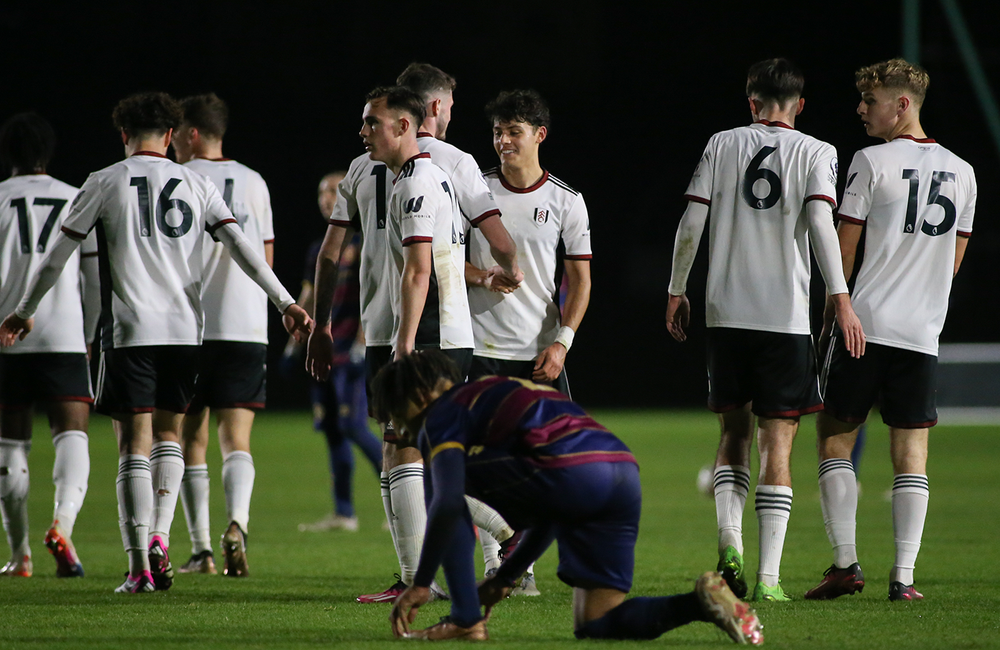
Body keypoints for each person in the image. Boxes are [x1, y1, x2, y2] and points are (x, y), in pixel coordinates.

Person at [0, 92, 311, 594]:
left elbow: (58, 255)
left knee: (132, 445)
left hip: (129, 333)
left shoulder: (103, 181)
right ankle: (163, 537)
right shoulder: (194, 181)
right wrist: (286, 303)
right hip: (186, 333)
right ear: (170, 136)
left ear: (124, 135)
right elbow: (243, 247)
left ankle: (138, 564)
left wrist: (24, 309)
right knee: (171, 437)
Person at [373, 351, 763, 644]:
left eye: (395, 410)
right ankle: (702, 602)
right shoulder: (490, 392)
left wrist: (421, 582)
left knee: (443, 486)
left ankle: (464, 618)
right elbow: (554, 512)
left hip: (567, 471)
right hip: (620, 470)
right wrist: (506, 578)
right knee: (596, 623)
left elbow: (445, 505)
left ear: (422, 393)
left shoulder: (441, 413)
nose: (398, 426)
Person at [305, 82, 518, 603]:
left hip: (426, 332)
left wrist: (402, 340)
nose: (361, 133)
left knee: (419, 449)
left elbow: (420, 272)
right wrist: (500, 270)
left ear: (407, 122)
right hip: (400, 330)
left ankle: (502, 540)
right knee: (402, 449)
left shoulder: (423, 176)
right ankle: (426, 574)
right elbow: (492, 244)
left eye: (370, 123)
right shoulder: (393, 170)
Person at [665, 58, 865, 602]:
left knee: (733, 436)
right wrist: (840, 298)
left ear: (751, 102)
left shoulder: (721, 143)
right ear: (800, 104)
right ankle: (770, 580)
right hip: (784, 320)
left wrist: (676, 288)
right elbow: (822, 224)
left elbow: (692, 221)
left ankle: (731, 545)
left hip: (725, 314)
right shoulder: (817, 151)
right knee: (780, 444)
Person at [804, 59, 975, 602]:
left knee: (834, 440)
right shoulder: (964, 171)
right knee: (912, 453)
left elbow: (844, 250)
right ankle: (903, 579)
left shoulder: (870, 161)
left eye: (870, 100)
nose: (861, 109)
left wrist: (835, 311)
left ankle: (845, 565)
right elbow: (953, 261)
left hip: (864, 324)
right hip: (921, 332)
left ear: (902, 105)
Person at [398, 61, 524, 590]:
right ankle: (468, 567)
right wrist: (507, 269)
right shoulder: (451, 162)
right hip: (440, 324)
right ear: (433, 108)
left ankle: (429, 576)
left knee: (414, 455)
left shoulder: (370, 167)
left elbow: (412, 257)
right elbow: (481, 241)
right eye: (449, 106)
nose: (451, 115)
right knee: (421, 454)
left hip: (410, 327)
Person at [464, 89, 592, 595]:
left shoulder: (566, 200)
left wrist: (562, 342)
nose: (503, 141)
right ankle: (504, 566)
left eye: (513, 131)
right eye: (497, 132)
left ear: (539, 135)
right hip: (477, 347)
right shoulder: (473, 192)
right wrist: (482, 276)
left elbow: (580, 281)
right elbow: (445, 260)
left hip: (538, 353)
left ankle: (534, 559)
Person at [165, 93, 275, 577]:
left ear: (190, 134)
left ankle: (202, 550)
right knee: (237, 438)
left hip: (189, 325)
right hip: (246, 324)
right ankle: (238, 523)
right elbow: (265, 258)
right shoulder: (254, 180)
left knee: (191, 434)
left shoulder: (180, 180)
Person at [0, 112, 98, 578]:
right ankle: (62, 524)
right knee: (71, 434)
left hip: (5, 335)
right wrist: (93, 333)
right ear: (47, 153)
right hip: (64, 333)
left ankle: (19, 556)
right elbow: (94, 278)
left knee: (10, 444)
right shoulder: (72, 196)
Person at [293, 172, 382, 532]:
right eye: (321, 191)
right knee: (332, 428)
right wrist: (292, 342)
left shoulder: (365, 243)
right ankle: (344, 513)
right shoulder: (319, 249)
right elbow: (308, 296)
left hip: (350, 349)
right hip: (324, 348)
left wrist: (362, 341)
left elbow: (373, 295)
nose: (326, 197)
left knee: (354, 425)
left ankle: (402, 502)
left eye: (333, 190)